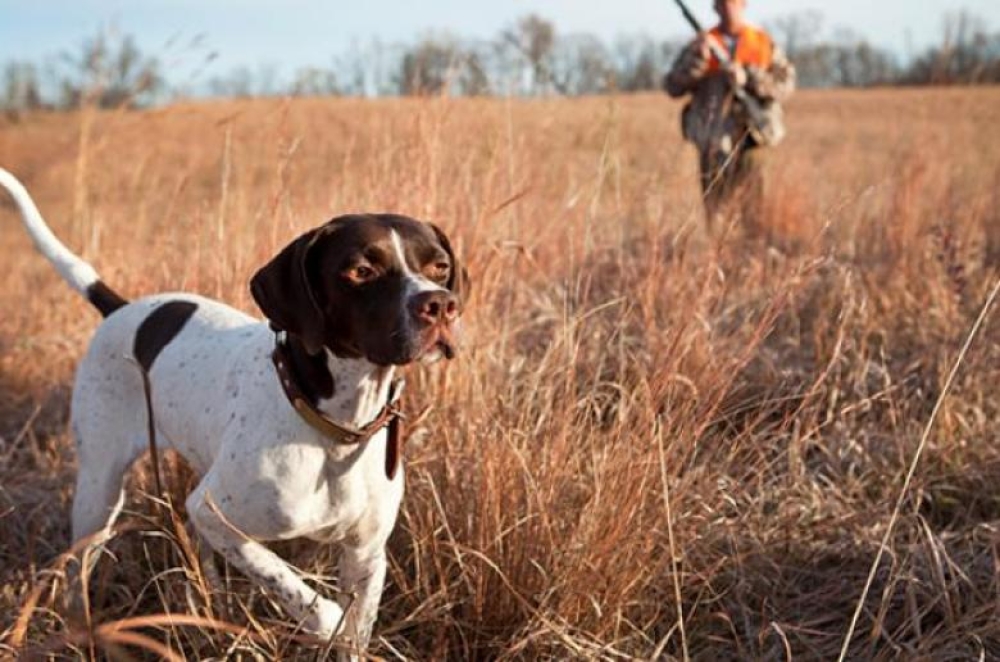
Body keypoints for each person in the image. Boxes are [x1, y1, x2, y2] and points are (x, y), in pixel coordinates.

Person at [664, 0, 795, 234]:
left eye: (732, 3)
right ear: (715, 7)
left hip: (754, 136)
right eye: (722, 4)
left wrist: (749, 77)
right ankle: (718, 260)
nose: (727, 9)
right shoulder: (701, 44)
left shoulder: (761, 42)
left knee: (754, 207)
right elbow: (672, 86)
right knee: (715, 211)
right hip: (713, 139)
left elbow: (785, 84)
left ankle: (753, 258)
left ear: (744, 5)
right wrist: (698, 62)